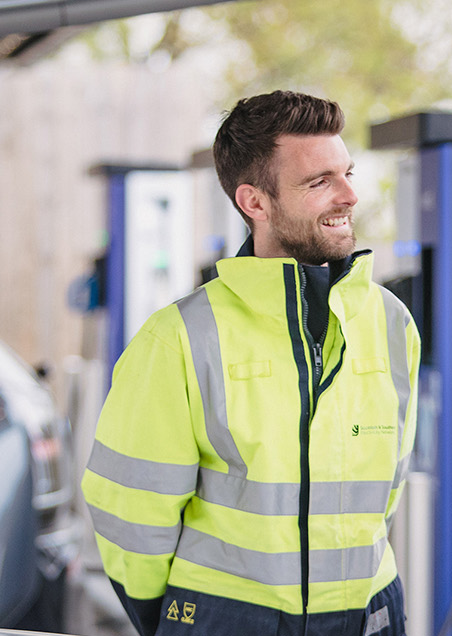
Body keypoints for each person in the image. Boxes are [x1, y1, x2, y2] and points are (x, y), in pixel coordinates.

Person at [81, 90, 419, 636]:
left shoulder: (391, 323)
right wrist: (181, 621)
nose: (349, 195)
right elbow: (130, 513)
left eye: (346, 172)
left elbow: (387, 489)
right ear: (254, 203)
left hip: (370, 613)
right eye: (319, 181)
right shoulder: (179, 338)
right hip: (231, 620)